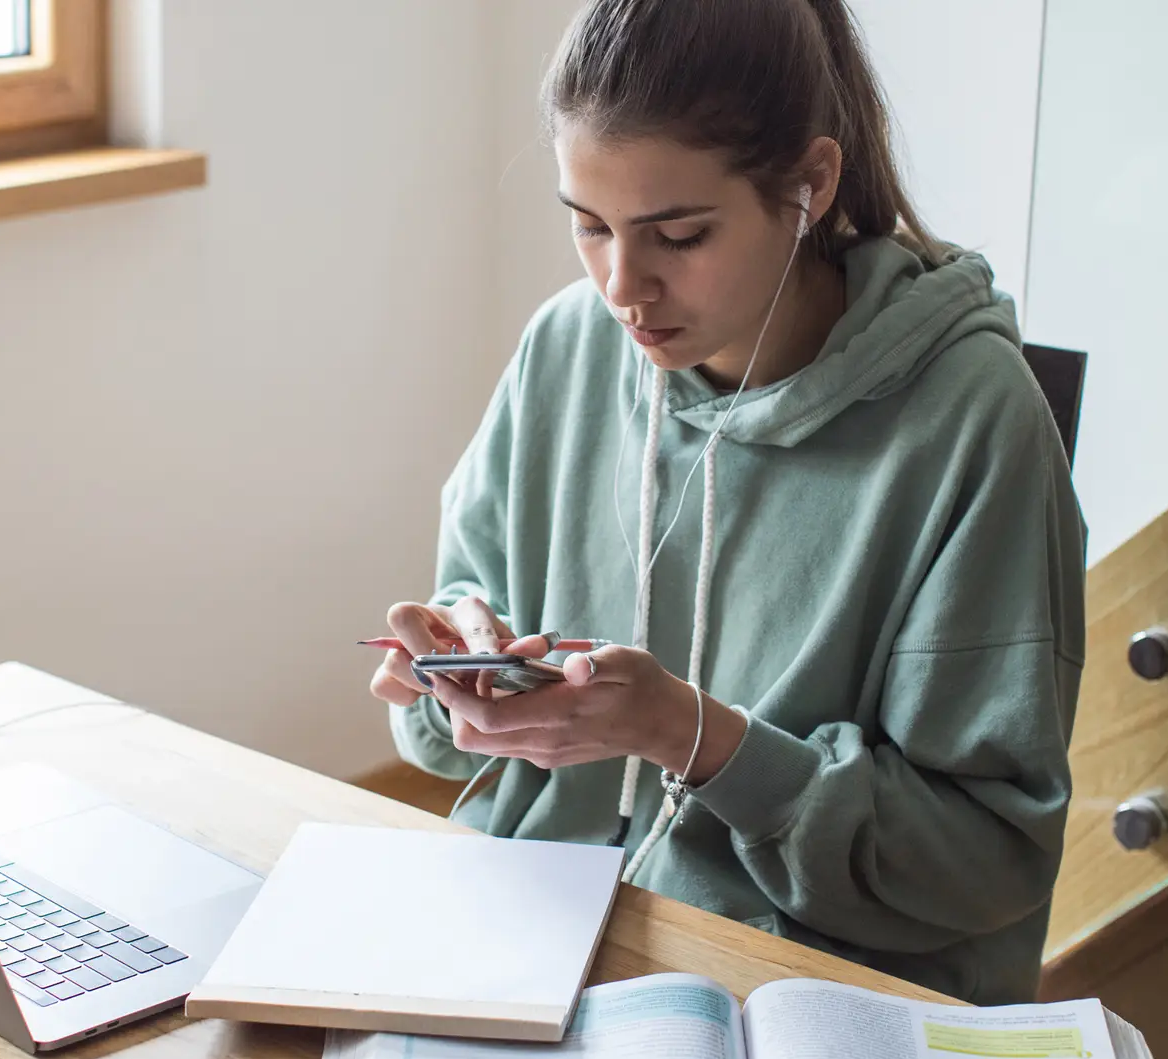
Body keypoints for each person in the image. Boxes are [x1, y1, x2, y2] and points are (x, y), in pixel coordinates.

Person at [369, 0, 1085, 1006]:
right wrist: (461, 665)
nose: (625, 289)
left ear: (811, 185)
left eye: (680, 235)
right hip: (534, 938)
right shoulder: (568, 346)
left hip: (813, 989)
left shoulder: (972, 420)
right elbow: (476, 596)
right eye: (589, 227)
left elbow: (982, 856)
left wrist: (692, 736)